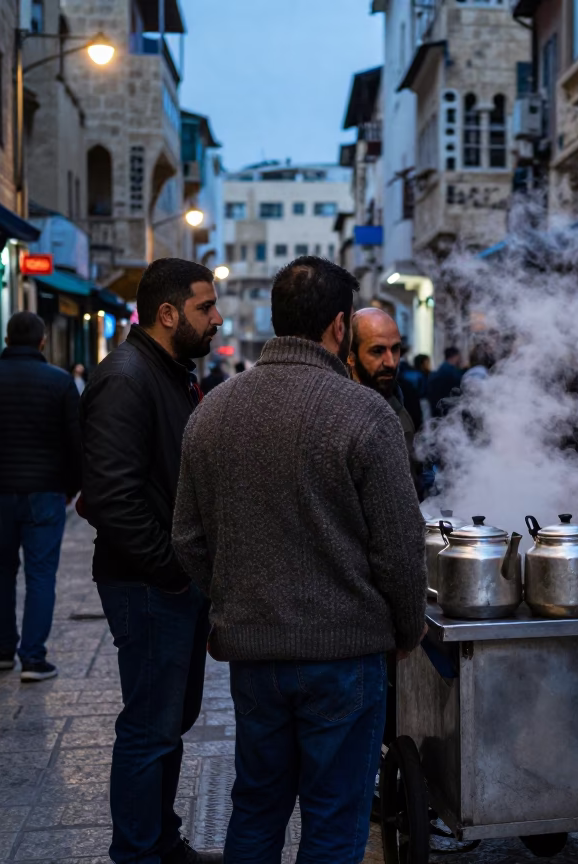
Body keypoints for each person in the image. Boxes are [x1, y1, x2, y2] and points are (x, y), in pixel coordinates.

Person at [173, 256, 427, 863]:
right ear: (339, 327)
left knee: (257, 807)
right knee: (334, 819)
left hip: (256, 654)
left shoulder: (212, 412)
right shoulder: (363, 414)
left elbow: (187, 537)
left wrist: (233, 603)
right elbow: (399, 546)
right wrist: (406, 627)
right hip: (344, 653)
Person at [81, 258, 222, 864]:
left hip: (168, 580)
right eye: (205, 308)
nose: (216, 319)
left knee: (170, 722)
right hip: (147, 584)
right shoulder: (128, 376)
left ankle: (160, 839)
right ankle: (138, 853)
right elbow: (112, 495)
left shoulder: (169, 372)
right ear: (168, 314)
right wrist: (171, 570)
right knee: (149, 727)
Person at [0, 312, 81, 681]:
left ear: (6, 339)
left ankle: (3, 650)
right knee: (41, 575)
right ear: (42, 341)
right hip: (45, 490)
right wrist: (71, 486)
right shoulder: (59, 382)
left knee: (1, 572)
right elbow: (75, 443)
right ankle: (33, 658)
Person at [347, 308, 421, 491]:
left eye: (395, 349)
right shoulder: (339, 412)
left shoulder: (399, 400)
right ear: (351, 357)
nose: (390, 362)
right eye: (377, 351)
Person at [426, 345, 463, 416]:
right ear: (454, 356)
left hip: (436, 410)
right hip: (449, 411)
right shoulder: (454, 373)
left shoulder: (436, 372)